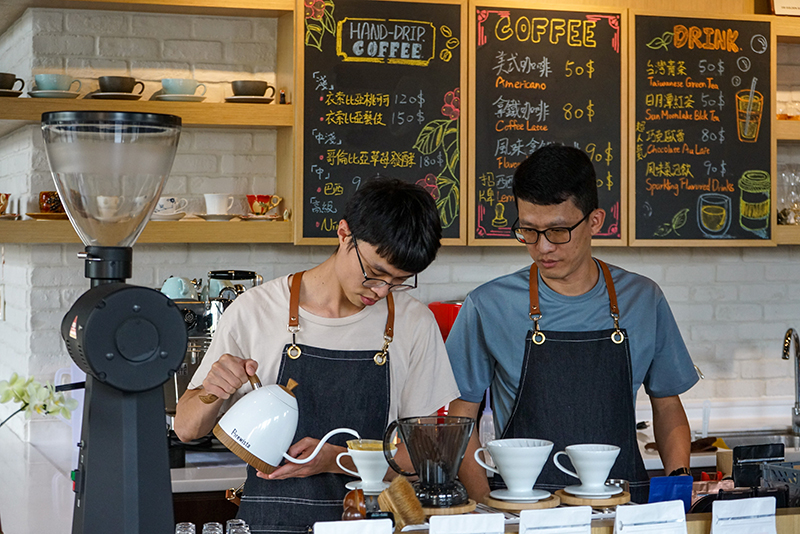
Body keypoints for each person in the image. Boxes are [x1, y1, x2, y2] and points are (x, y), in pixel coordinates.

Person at [174, 177, 460, 533]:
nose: (381, 291)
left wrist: (334, 460)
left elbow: (424, 460)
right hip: (271, 523)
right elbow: (186, 428)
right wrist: (212, 390)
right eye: (375, 273)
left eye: (399, 281)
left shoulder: (413, 321)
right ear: (344, 234)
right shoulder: (258, 309)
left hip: (372, 523)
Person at [446, 145, 698, 504]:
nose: (543, 247)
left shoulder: (643, 299)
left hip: (624, 506)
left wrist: (678, 483)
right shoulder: (489, 304)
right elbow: (461, 418)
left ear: (594, 221)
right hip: (525, 509)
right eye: (529, 231)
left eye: (558, 231)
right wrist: (486, 501)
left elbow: (667, 405)